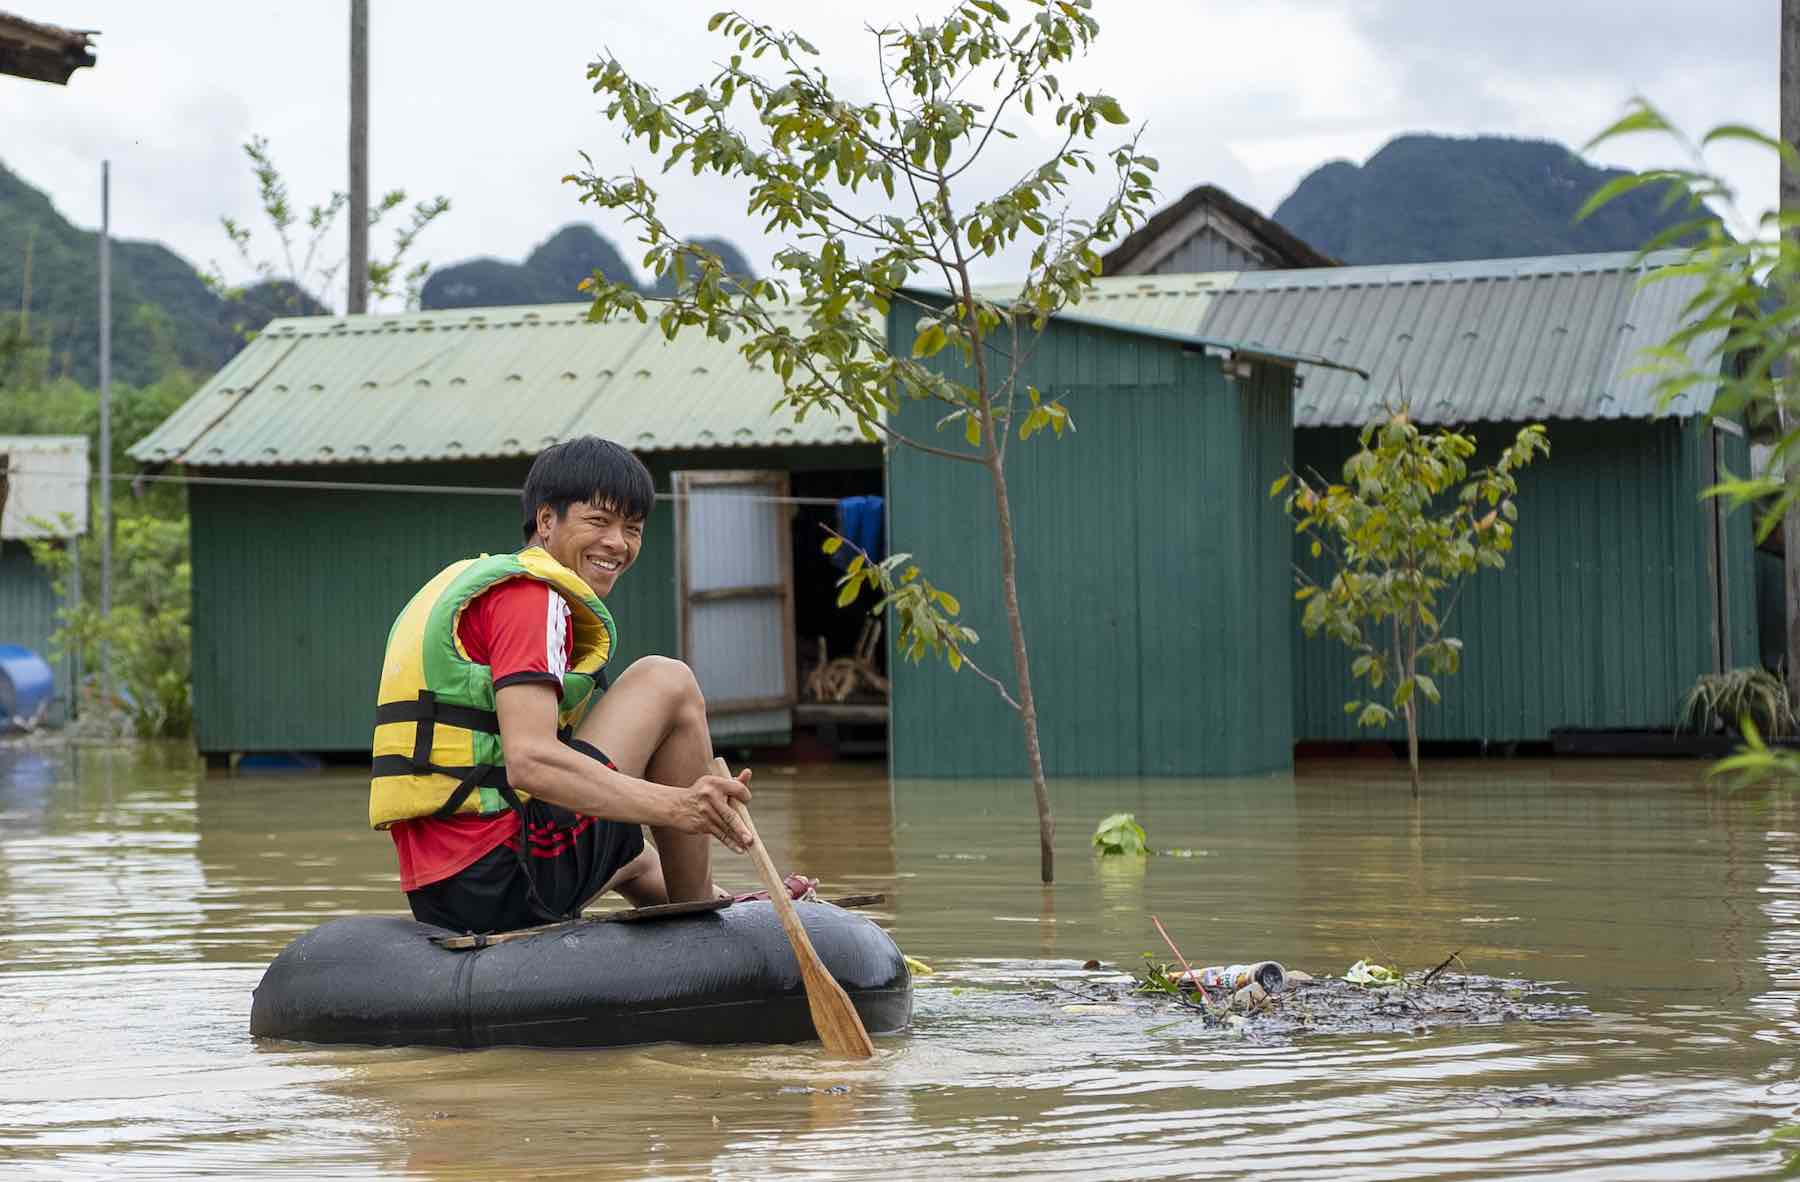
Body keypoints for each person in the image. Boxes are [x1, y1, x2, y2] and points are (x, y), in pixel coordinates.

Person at [368, 436, 757, 934]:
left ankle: (713, 902)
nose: (619, 542)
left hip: (445, 887)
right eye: (599, 521)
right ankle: (700, 924)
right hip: (501, 875)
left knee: (634, 858)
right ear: (546, 520)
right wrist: (680, 806)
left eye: (632, 529)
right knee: (668, 681)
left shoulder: (482, 586)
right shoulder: (534, 598)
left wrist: (753, 904)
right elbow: (530, 761)